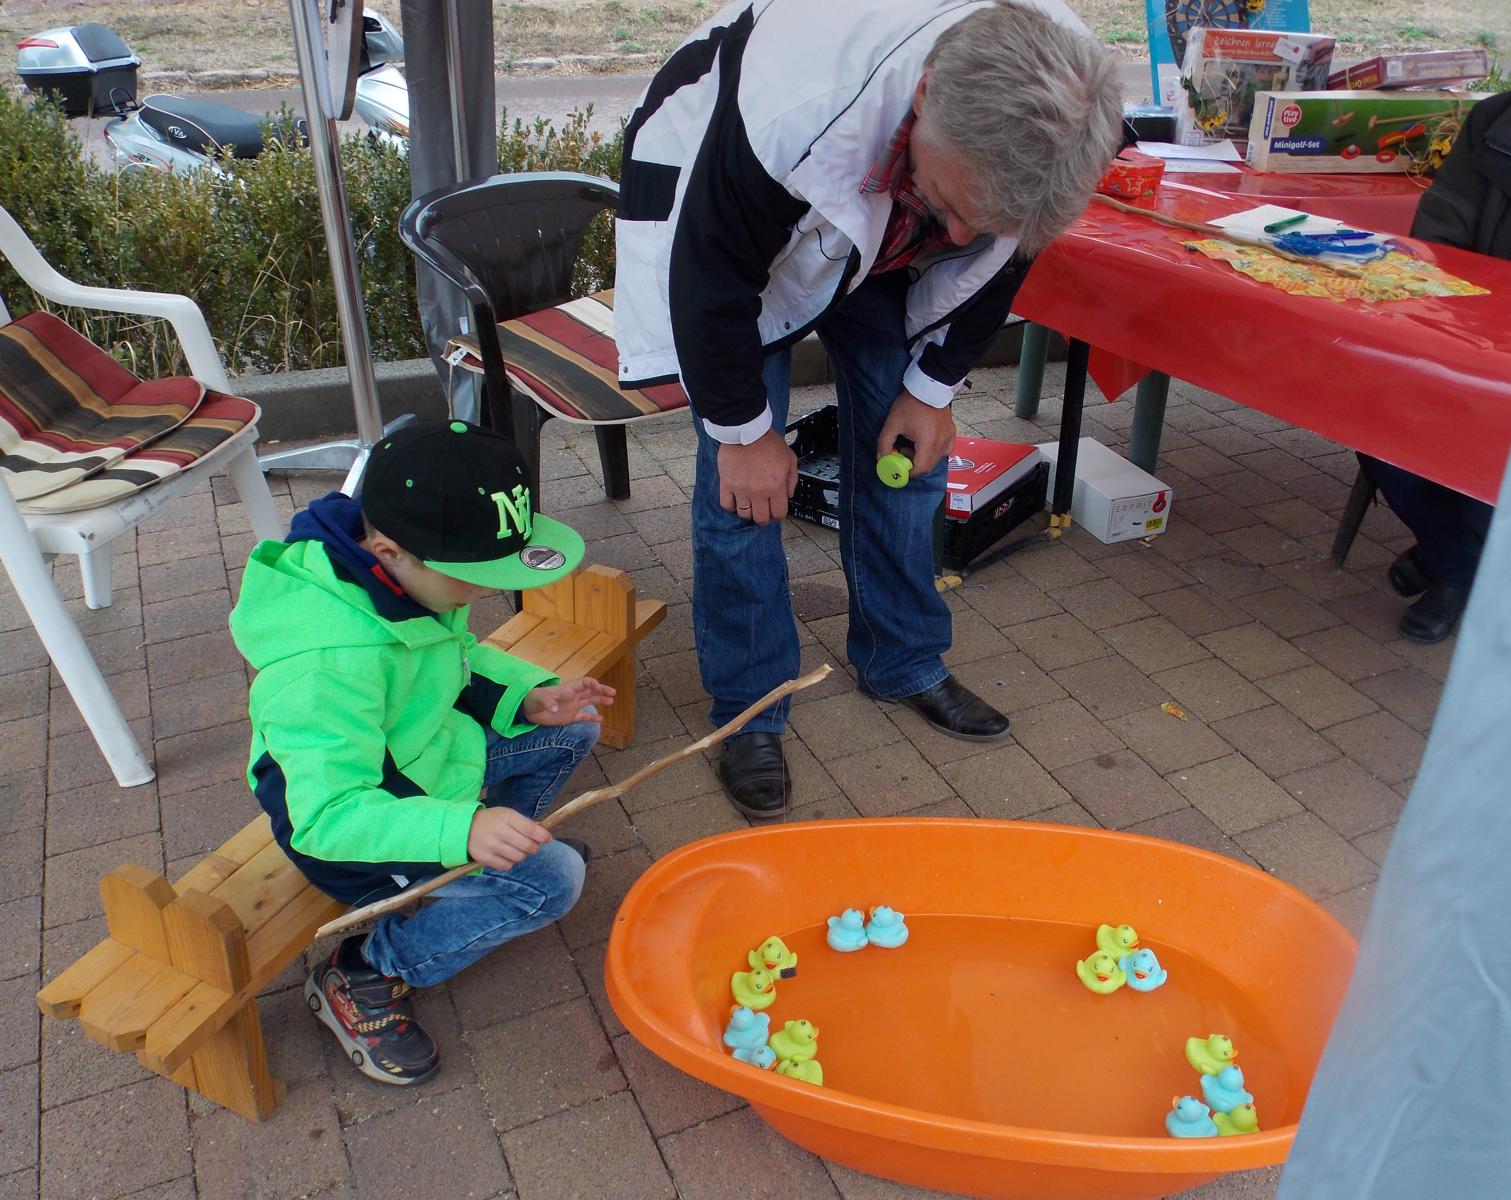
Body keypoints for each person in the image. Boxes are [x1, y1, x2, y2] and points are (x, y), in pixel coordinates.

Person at [613, 0, 1122, 816]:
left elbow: (1005, 255)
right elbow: (707, 279)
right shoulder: (790, 108)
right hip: (754, 239)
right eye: (955, 207)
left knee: (911, 461)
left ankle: (903, 659)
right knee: (744, 494)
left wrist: (933, 389)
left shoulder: (1070, 116)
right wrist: (747, 435)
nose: (959, 234)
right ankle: (750, 708)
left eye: (976, 223)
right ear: (924, 98)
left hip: (880, 227)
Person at [229, 420, 615, 1085]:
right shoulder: (326, 666)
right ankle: (367, 972)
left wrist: (527, 697)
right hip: (359, 833)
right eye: (474, 575)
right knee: (556, 884)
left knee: (571, 726)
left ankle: (485, 865)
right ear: (388, 549)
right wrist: (459, 828)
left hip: (430, 765)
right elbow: (330, 818)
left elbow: (454, 660)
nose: (485, 590)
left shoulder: (399, 576)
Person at [1360, 2, 1511, 643]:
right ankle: (1468, 564)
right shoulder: (1503, 122)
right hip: (1486, 350)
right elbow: (1438, 244)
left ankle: (1455, 562)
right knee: (1369, 403)